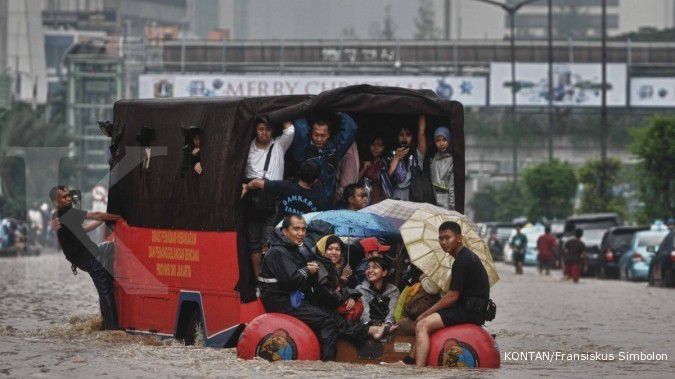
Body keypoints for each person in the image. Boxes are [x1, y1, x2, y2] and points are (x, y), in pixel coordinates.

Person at [258, 215, 396, 361]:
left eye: (303, 229)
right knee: (326, 320)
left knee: (331, 314)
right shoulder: (278, 252)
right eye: (296, 229)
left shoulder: (294, 250)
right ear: (285, 231)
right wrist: (307, 270)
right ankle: (326, 365)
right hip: (282, 301)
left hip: (295, 298)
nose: (301, 233)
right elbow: (291, 282)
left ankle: (370, 330)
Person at [408, 221, 492, 367]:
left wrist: (426, 314)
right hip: (472, 309)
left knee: (422, 325)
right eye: (441, 238)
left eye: (448, 238)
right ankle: (408, 361)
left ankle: (418, 369)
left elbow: (453, 296)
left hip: (470, 312)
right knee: (425, 320)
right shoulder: (465, 257)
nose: (444, 242)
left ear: (459, 238)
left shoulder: (462, 261)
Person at [49, 185, 121, 330]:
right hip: (88, 258)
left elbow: (85, 228)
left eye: (69, 195)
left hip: (83, 258)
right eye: (64, 197)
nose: (69, 198)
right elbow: (97, 214)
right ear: (56, 202)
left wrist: (103, 220)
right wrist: (119, 217)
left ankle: (106, 322)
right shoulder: (68, 213)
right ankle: (112, 329)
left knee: (110, 247)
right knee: (105, 290)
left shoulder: (56, 215)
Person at [244, 118, 295, 279]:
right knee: (253, 243)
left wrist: (277, 113)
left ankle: (268, 278)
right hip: (251, 198)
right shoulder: (247, 147)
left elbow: (290, 130)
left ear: (272, 130)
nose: (264, 132)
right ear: (255, 130)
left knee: (268, 242)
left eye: (267, 129)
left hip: (272, 198)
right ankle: (258, 280)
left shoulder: (279, 145)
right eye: (260, 128)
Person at [290, 112, 358, 204]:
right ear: (311, 134)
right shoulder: (303, 150)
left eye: (323, 135)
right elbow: (300, 128)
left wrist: (338, 113)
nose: (319, 139)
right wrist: (305, 109)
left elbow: (351, 129)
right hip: (304, 200)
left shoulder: (334, 150)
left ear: (329, 134)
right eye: (316, 135)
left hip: (325, 200)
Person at [242, 160, 327, 220]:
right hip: (302, 236)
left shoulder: (286, 186)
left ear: (299, 173)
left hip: (281, 233)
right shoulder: (320, 197)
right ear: (316, 180)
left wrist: (246, 187)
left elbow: (256, 182)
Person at [313, 234, 361, 319]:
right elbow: (330, 295)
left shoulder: (338, 266)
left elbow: (350, 286)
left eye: (337, 249)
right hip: (322, 310)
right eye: (330, 249)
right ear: (322, 250)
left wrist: (351, 296)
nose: (334, 252)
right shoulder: (318, 267)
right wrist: (343, 280)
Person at [388, 115, 427, 201]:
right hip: (395, 195)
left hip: (413, 194)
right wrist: (396, 158)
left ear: (413, 137)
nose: (404, 138)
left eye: (408, 135)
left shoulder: (418, 153)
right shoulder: (392, 154)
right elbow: (387, 176)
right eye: (401, 135)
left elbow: (421, 132)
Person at [357, 256, 399, 326]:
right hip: (368, 327)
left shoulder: (394, 290)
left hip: (388, 326)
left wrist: (387, 325)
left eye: (375, 267)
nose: (370, 270)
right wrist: (374, 327)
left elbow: (392, 311)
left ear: (384, 272)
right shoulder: (361, 289)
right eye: (368, 268)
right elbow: (364, 314)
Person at [359, 136, 390, 205]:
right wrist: (364, 169)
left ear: (384, 147)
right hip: (364, 198)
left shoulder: (385, 163)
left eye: (379, 145)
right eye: (373, 145)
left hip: (379, 199)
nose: (376, 148)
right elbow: (356, 180)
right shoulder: (365, 161)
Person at [430, 127, 455, 210]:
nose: (441, 143)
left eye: (444, 140)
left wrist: (452, 208)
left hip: (446, 202)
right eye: (438, 140)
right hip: (433, 200)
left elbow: (452, 187)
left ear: (449, 140)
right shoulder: (434, 158)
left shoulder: (451, 160)